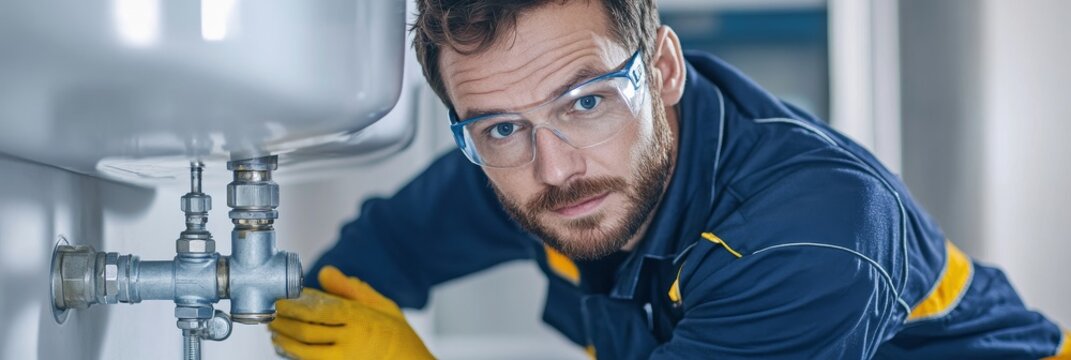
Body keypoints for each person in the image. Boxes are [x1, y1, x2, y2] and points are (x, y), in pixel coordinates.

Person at [267, 1, 1069, 359]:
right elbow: (362, 267)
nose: (554, 170)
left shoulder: (812, 236)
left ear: (662, 69)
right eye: (501, 126)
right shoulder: (510, 163)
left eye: (586, 102)